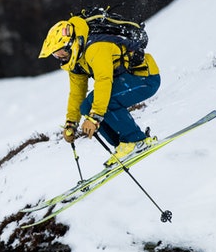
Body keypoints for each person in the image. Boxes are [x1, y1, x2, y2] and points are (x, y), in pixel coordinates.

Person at [38, 14, 161, 166]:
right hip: (125, 80)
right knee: (86, 107)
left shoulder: (95, 48)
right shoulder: (76, 61)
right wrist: (71, 123)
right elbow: (77, 93)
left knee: (104, 102)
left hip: (145, 78)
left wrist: (94, 118)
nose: (61, 57)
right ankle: (123, 146)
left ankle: (136, 141)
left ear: (72, 44)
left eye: (62, 52)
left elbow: (104, 81)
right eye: (56, 55)